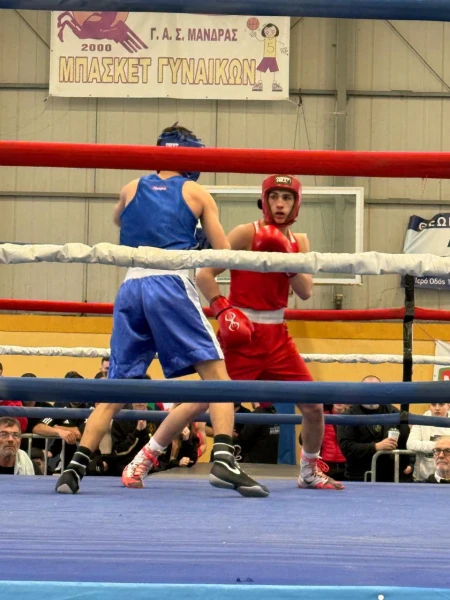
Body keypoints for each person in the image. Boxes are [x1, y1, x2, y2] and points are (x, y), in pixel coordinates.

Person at [56, 123, 268, 498]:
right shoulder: (195, 192)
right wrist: (198, 243)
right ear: (190, 155)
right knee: (218, 374)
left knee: (117, 387)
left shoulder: (131, 187)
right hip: (169, 283)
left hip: (131, 287)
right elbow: (224, 253)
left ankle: (74, 469)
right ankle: (223, 458)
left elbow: (119, 219)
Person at [195, 174, 343, 489]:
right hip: (242, 332)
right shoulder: (245, 232)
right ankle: (146, 457)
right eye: (274, 196)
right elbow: (205, 274)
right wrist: (222, 308)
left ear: (296, 204)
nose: (280, 204)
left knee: (314, 406)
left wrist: (286, 257)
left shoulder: (300, 242)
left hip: (277, 336)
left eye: (287, 198)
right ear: (264, 200)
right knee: (201, 400)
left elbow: (305, 291)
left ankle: (308, 471)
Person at [337, 376, 411, 482]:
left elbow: (405, 440)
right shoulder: (349, 415)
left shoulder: (393, 412)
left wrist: (409, 464)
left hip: (388, 477)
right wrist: (376, 447)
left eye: (376, 390)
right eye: (368, 390)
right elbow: (347, 447)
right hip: (358, 477)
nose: (372, 394)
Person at [406, 402, 450, 482]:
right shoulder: (420, 421)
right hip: (422, 478)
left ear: (448, 406)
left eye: (441, 404)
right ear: (429, 406)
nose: (437, 408)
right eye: (433, 404)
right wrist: (437, 446)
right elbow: (410, 444)